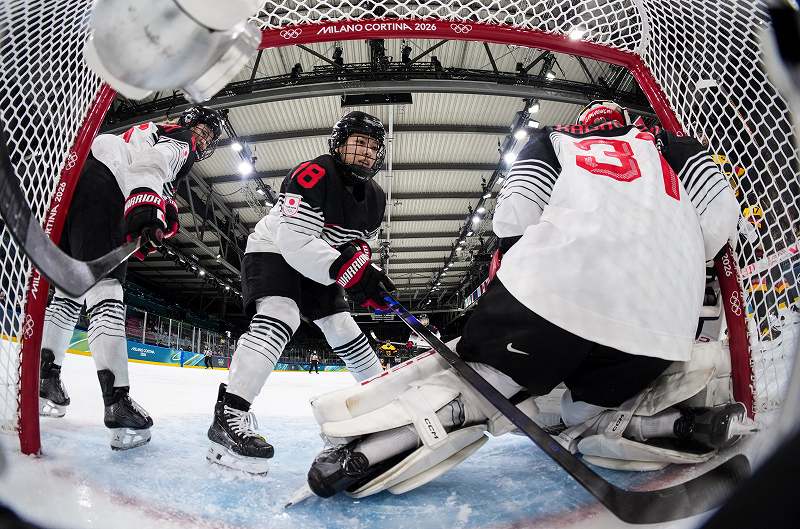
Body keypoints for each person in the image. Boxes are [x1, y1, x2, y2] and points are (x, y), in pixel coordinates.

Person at [302, 100, 751, 498]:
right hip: (663, 319)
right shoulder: (674, 144)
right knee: (583, 412)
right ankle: (669, 425)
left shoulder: (555, 139)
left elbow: (514, 216)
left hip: (560, 289)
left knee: (484, 385)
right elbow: (719, 221)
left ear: (585, 123)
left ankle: (363, 456)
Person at [206, 111, 393, 474]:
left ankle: (384, 403)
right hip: (275, 249)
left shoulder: (376, 198)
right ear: (338, 145)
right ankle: (229, 415)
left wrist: (367, 277)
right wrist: (351, 272)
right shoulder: (314, 173)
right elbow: (293, 241)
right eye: (358, 141)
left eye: (373, 146)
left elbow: (351, 247)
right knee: (281, 314)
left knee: (343, 327)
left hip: (318, 259)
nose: (366, 151)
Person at [37, 106, 222, 450]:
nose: (203, 138)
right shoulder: (181, 142)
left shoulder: (151, 130)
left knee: (69, 291)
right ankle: (117, 403)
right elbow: (149, 166)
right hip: (110, 189)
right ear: (188, 126)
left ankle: (46, 381)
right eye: (202, 130)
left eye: (209, 136)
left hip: (79, 182)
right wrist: (147, 208)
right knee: (106, 293)